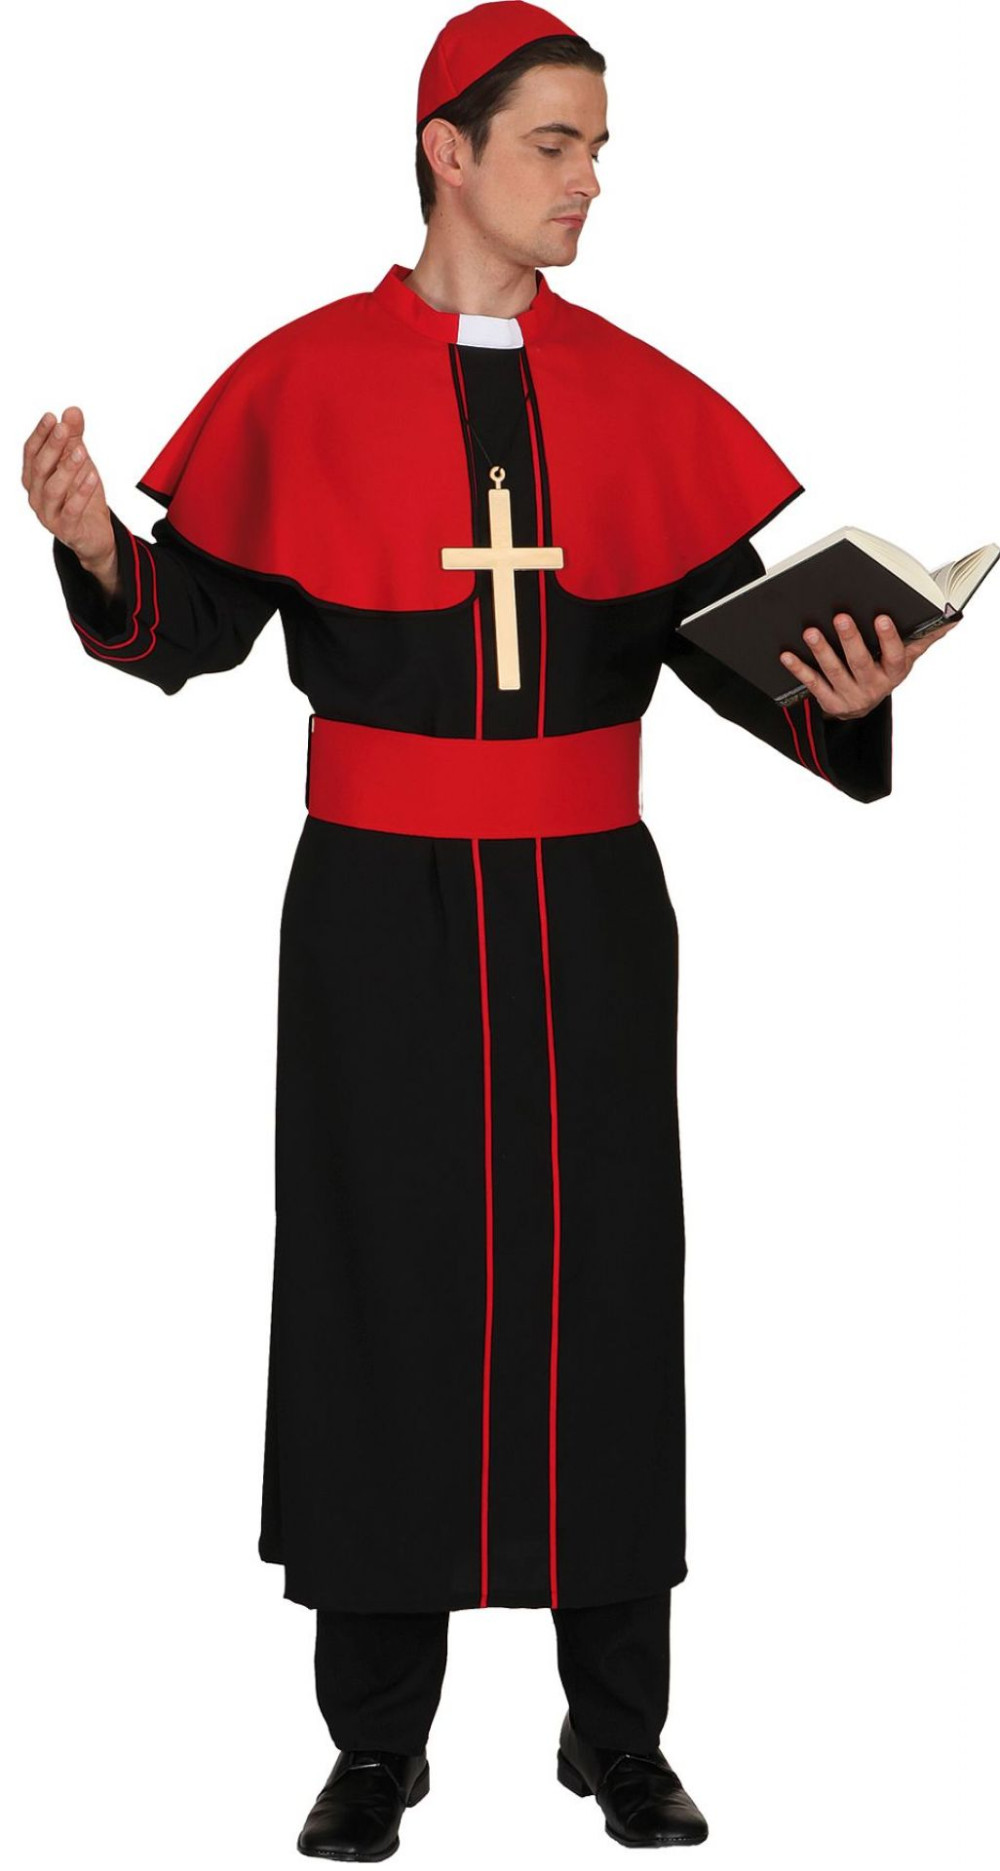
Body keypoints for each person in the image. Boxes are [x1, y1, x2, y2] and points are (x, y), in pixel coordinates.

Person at [24, 2, 959, 1857]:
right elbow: (189, 627)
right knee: (378, 1288)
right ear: (446, 151)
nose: (591, 180)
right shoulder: (300, 379)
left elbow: (739, 659)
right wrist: (99, 552)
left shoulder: (643, 397)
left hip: (589, 906)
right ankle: (378, 1742)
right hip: (373, 912)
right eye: (557, 143)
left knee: (603, 1289)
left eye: (601, 148)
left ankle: (618, 1732)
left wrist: (844, 694)